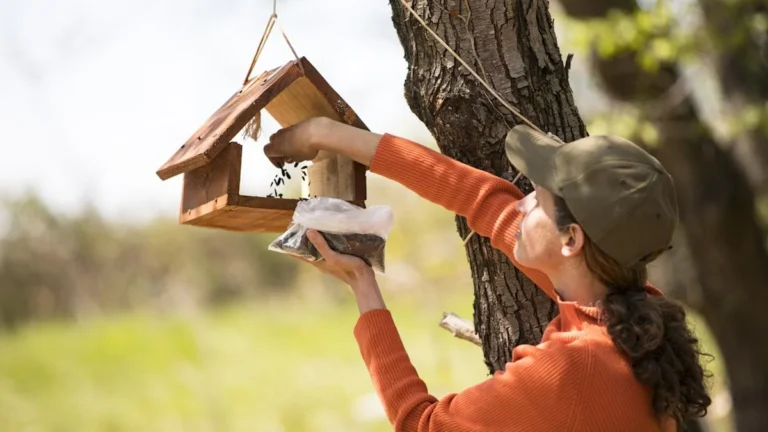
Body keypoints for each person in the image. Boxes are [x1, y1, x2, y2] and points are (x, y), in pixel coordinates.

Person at [264, 117, 712, 431]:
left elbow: (422, 426)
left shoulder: (576, 366)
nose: (520, 204)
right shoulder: (627, 313)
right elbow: (479, 199)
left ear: (571, 239)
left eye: (536, 200)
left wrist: (362, 286)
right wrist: (329, 134)